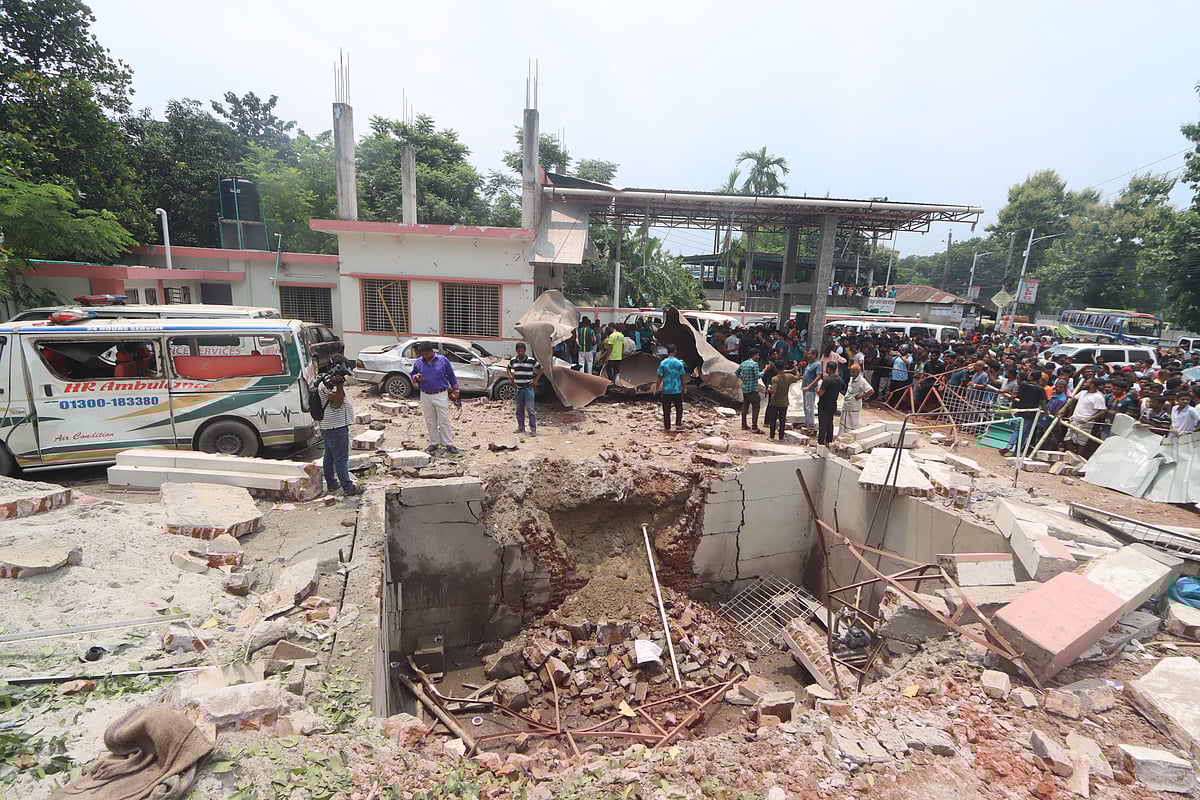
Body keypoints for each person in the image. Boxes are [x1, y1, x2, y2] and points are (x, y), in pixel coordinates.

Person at [411, 342, 461, 454]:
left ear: (432, 351)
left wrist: (456, 389)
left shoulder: (443, 360)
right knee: (430, 420)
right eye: (423, 354)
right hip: (425, 394)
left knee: (444, 419)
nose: (425, 356)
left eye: (427, 354)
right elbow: (413, 374)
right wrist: (416, 378)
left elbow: (451, 375)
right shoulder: (419, 362)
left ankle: (448, 443)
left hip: (440, 394)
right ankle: (434, 443)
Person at [317, 368, 358, 497]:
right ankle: (348, 487)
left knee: (329, 456)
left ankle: (332, 484)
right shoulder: (327, 386)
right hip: (336, 427)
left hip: (328, 426)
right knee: (341, 458)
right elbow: (337, 403)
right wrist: (339, 386)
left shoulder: (323, 382)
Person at [506, 342, 543, 436]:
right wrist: (511, 378)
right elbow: (508, 368)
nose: (520, 352)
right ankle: (521, 427)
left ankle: (533, 429)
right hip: (518, 389)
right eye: (519, 351)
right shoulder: (513, 361)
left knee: (530, 409)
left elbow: (541, 368)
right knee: (519, 409)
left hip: (528, 388)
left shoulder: (531, 360)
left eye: (522, 351)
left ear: (525, 351)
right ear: (516, 351)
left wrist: (536, 380)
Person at [654, 344, 688, 433]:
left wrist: (656, 388)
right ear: (675, 351)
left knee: (666, 409)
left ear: (667, 352)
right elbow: (682, 376)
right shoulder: (679, 363)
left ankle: (667, 427)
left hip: (666, 390)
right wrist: (684, 387)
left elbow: (660, 377)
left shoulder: (663, 363)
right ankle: (678, 424)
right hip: (677, 389)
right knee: (679, 408)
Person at [766, 361, 800, 440]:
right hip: (784, 402)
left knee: (773, 420)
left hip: (775, 402)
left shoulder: (775, 379)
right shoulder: (789, 377)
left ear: (776, 368)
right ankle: (781, 437)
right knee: (782, 420)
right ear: (784, 367)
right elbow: (797, 377)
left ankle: (772, 436)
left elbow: (774, 391)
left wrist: (769, 389)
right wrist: (796, 369)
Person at [816, 362, 845, 446]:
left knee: (823, 423)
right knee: (830, 422)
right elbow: (843, 389)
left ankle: (821, 441)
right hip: (833, 403)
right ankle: (829, 440)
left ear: (828, 369)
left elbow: (821, 393)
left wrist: (817, 390)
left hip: (824, 403)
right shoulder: (839, 379)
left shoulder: (827, 380)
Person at [736, 350, 765, 433]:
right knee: (756, 407)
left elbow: (737, 373)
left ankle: (744, 424)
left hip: (745, 388)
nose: (758, 357)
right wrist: (765, 370)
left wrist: (743, 379)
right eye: (757, 355)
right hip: (753, 389)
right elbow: (758, 376)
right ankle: (754, 427)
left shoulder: (743, 363)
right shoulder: (754, 364)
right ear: (754, 355)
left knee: (745, 406)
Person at [841, 363, 874, 433]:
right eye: (851, 372)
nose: (852, 374)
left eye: (853, 372)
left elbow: (871, 391)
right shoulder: (851, 378)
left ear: (858, 372)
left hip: (854, 405)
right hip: (847, 403)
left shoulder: (862, 381)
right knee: (844, 421)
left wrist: (860, 396)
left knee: (852, 423)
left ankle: (851, 435)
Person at [800, 352, 822, 430]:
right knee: (805, 407)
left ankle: (811, 424)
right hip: (805, 387)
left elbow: (818, 376)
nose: (808, 355)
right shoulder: (809, 364)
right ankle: (807, 422)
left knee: (809, 407)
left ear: (814, 355)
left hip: (811, 389)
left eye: (810, 354)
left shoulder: (818, 364)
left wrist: (810, 385)